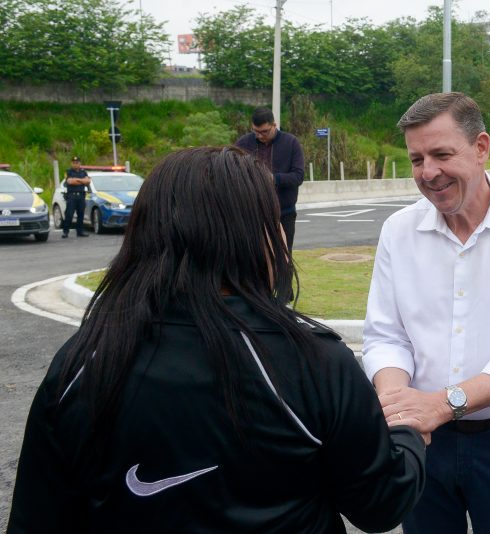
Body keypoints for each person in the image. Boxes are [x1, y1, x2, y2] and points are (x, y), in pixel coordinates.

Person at [9, 147, 426, 533]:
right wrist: (406, 432)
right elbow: (379, 505)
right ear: (249, 237)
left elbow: (36, 517)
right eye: (273, 222)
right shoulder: (312, 361)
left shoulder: (82, 361)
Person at [362, 92, 490, 533]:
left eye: (441, 154)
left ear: (481, 148)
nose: (428, 172)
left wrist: (442, 404)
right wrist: (401, 408)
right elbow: (385, 335)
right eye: (416, 159)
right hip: (422, 440)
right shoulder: (398, 232)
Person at [236, 107, 304, 253]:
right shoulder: (242, 144)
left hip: (284, 214)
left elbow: (298, 176)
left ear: (274, 125)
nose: (260, 135)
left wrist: (274, 178)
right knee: (254, 258)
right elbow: (233, 175)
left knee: (284, 259)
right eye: (256, 131)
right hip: (252, 214)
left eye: (264, 131)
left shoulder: (291, 142)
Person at [62, 155, 90, 238]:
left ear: (80, 163)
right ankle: (65, 232)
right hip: (71, 196)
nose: (75, 164)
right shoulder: (68, 172)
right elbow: (70, 182)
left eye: (77, 163)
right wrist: (82, 181)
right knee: (69, 215)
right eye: (74, 163)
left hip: (81, 196)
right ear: (71, 163)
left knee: (81, 215)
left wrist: (77, 180)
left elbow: (88, 181)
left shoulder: (83, 172)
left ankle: (80, 231)